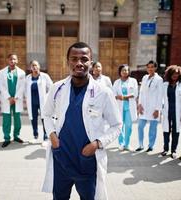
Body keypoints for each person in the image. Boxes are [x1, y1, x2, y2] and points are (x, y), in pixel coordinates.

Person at [41, 42, 122, 200]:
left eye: (84, 59)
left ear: (91, 63)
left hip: (87, 161)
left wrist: (96, 144)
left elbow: (117, 125)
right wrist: (53, 138)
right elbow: (46, 114)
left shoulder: (103, 93)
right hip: (61, 158)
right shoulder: (57, 88)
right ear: (68, 62)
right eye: (74, 59)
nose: (79, 63)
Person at [0, 54, 26, 148]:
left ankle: (16, 136)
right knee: (7, 118)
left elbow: (22, 86)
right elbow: (1, 85)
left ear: (17, 60)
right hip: (7, 100)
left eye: (14, 59)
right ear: (7, 60)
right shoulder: (2, 72)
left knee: (17, 118)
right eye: (10, 59)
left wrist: (16, 97)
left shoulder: (21, 72)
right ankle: (6, 138)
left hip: (17, 99)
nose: (12, 61)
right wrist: (9, 97)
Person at [136, 60, 163, 152]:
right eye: (149, 67)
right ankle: (140, 145)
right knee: (140, 126)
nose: (150, 69)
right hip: (143, 107)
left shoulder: (159, 79)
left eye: (152, 67)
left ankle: (151, 146)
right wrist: (139, 105)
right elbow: (141, 92)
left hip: (153, 107)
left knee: (152, 128)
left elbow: (160, 95)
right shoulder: (144, 78)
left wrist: (157, 109)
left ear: (155, 68)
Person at [25, 60, 53, 146]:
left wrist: (47, 97)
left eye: (36, 65)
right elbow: (26, 90)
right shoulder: (28, 78)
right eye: (32, 66)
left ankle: (46, 137)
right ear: (30, 68)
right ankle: (35, 136)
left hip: (43, 102)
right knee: (33, 119)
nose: (34, 67)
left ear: (39, 66)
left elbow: (51, 87)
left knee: (44, 119)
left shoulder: (44, 76)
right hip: (32, 102)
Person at [161, 65, 181, 159]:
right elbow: (161, 98)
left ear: (180, 75)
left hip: (178, 112)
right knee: (166, 130)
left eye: (177, 73)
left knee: (176, 131)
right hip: (167, 111)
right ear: (169, 74)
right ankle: (165, 149)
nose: (175, 75)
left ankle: (174, 150)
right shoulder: (164, 85)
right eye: (173, 73)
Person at [112, 64, 138, 151]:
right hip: (120, 107)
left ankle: (127, 144)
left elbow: (135, 93)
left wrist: (124, 97)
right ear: (120, 72)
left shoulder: (133, 81)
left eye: (127, 70)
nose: (125, 72)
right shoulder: (116, 82)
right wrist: (118, 97)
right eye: (123, 70)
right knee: (120, 126)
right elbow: (113, 94)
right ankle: (121, 143)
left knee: (129, 126)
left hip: (129, 107)